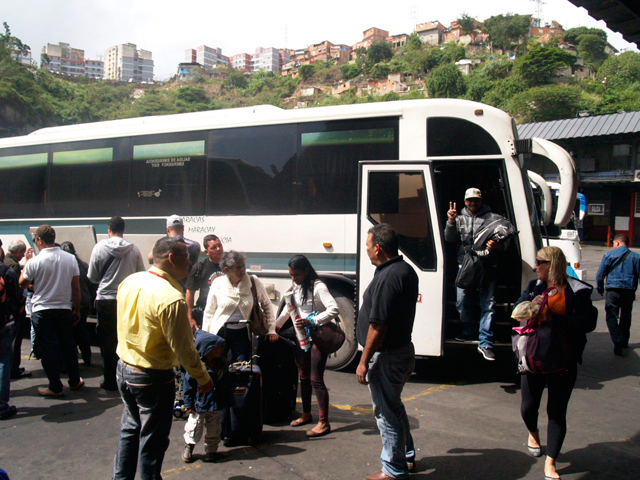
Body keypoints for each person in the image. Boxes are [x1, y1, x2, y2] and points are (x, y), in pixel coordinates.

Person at [112, 237, 213, 480]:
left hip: (124, 368)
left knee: (130, 429)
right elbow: (185, 350)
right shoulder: (171, 298)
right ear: (171, 258)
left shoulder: (130, 281)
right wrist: (203, 378)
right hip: (152, 377)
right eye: (187, 258)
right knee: (153, 439)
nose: (190, 263)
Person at [515, 246, 597, 480]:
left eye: (540, 262)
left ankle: (550, 462)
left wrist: (554, 318)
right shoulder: (534, 287)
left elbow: (587, 322)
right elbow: (516, 312)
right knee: (528, 407)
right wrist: (530, 307)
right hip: (534, 358)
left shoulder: (578, 290)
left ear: (553, 264)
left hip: (563, 360)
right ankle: (533, 433)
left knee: (557, 412)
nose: (535, 267)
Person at [356, 224, 419, 480]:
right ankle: (406, 456)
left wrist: (363, 361)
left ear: (379, 248)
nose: (368, 251)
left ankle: (393, 470)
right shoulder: (403, 270)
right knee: (394, 407)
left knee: (386, 413)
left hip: (388, 356)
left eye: (369, 247)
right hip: (400, 351)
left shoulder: (389, 276)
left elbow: (378, 325)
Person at [276, 255, 339, 438]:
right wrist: (276, 326)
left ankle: (323, 422)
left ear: (306, 271)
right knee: (303, 376)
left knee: (315, 378)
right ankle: (306, 414)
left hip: (319, 336)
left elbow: (333, 308)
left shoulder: (318, 287)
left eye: (296, 274)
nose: (293, 278)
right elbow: (290, 308)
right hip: (302, 337)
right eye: (291, 275)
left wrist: (312, 321)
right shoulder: (297, 286)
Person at [19, 225, 84, 397]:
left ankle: (55, 386)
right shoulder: (70, 259)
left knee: (48, 350)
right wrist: (77, 309)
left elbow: (22, 284)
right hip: (63, 308)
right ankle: (75, 381)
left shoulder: (35, 261)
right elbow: (76, 287)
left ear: (40, 240)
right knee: (68, 346)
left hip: (42, 310)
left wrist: (27, 263)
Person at [445, 187, 507, 361]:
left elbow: (507, 243)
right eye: (470, 200)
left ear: (481, 201)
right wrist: (450, 221)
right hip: (464, 266)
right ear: (465, 202)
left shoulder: (492, 219)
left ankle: (485, 342)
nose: (473, 203)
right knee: (461, 301)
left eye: (476, 200)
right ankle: (469, 329)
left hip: (487, 265)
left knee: (488, 305)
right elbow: (449, 239)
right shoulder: (458, 218)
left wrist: (497, 246)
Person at [88, 216, 145, 391]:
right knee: (126, 339)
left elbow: (92, 276)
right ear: (124, 229)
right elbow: (140, 274)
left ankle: (109, 380)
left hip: (105, 300)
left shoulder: (99, 248)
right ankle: (126, 378)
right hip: (126, 300)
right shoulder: (133, 249)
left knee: (107, 341)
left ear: (109, 229)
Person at [202, 250, 277, 362]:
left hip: (242, 334)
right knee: (218, 366)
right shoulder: (218, 283)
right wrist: (206, 335)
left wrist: (271, 329)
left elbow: (267, 305)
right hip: (220, 333)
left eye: (243, 266)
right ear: (227, 270)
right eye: (238, 267)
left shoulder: (253, 281)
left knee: (242, 366)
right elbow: (209, 311)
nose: (242, 270)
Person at [181, 329, 227, 463]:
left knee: (215, 429)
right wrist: (188, 404)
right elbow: (188, 387)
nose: (220, 350)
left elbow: (226, 385)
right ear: (207, 350)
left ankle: (211, 451)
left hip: (215, 404)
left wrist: (228, 400)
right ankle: (189, 447)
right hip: (199, 404)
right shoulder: (198, 368)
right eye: (216, 347)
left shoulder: (222, 366)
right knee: (194, 427)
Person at [595, 234, 640, 356]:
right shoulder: (636, 257)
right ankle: (624, 341)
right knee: (626, 316)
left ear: (618, 243)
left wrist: (600, 288)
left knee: (611, 315)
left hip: (613, 290)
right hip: (629, 290)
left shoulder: (609, 255)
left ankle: (617, 339)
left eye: (614, 243)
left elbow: (600, 274)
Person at [4, 240, 33, 379]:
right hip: (14, 310)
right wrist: (21, 304)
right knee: (16, 340)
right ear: (17, 252)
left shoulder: (5, 260)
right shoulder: (14, 266)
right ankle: (13, 368)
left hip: (6, 308)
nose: (22, 256)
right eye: (22, 252)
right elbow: (18, 288)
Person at [60, 241, 93, 366]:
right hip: (84, 301)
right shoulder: (84, 265)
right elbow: (91, 283)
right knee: (82, 331)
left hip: (72, 302)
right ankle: (87, 357)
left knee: (69, 334)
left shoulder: (65, 265)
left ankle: (70, 359)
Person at [185, 234, 224, 330]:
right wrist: (189, 317)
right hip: (206, 313)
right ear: (206, 251)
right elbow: (190, 292)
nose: (218, 249)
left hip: (225, 312)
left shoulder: (230, 265)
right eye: (214, 247)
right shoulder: (199, 267)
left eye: (220, 245)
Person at [0, 246, 21, 420]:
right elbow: (15, 297)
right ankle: (1, 405)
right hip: (3, 323)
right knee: (3, 362)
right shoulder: (6, 271)